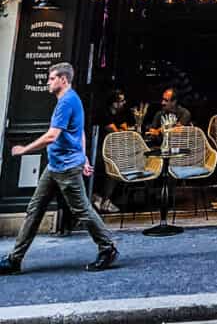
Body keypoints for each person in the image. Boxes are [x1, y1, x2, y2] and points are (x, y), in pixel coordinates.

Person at [0, 63, 118, 274]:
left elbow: (52, 135)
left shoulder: (66, 102)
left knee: (82, 210)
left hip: (66, 169)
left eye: (52, 78)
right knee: (34, 210)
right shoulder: (71, 99)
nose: (48, 81)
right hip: (55, 167)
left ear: (63, 79)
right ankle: (14, 259)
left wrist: (24, 149)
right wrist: (84, 158)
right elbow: (79, 131)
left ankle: (108, 248)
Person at [95, 89, 132, 214]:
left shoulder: (121, 114)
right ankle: (104, 199)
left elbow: (124, 129)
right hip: (101, 150)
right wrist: (121, 130)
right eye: (121, 101)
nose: (123, 103)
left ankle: (107, 198)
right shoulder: (104, 114)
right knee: (114, 168)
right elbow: (116, 133)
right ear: (113, 103)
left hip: (114, 149)